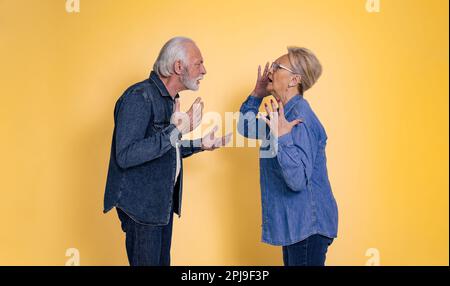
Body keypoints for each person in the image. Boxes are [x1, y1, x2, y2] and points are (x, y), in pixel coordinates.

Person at [104, 37, 231, 266]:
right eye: (198, 63)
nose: (204, 70)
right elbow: (126, 155)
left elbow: (163, 150)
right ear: (178, 67)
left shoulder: (169, 100)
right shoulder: (139, 97)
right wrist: (177, 129)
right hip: (142, 210)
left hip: (160, 207)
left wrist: (200, 143)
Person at [238, 47, 338, 266]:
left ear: (294, 79)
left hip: (308, 226)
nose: (270, 71)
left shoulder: (300, 118)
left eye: (277, 67)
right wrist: (256, 94)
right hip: (296, 225)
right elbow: (245, 127)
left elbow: (297, 180)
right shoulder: (281, 116)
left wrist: (283, 137)